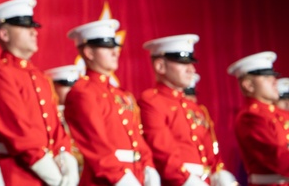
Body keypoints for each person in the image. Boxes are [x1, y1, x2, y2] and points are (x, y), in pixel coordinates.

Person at [0, 0, 80, 186]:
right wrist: (55, 177)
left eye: (33, 26)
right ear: (4, 34)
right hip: (19, 175)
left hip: (48, 173)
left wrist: (67, 162)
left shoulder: (38, 75)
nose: (34, 32)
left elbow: (56, 126)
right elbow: (18, 132)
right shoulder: (0, 73)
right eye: (25, 27)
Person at [64, 18, 161, 186]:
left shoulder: (122, 95)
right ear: (89, 52)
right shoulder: (83, 92)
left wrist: (148, 167)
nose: (116, 52)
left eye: (115, 47)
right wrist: (123, 180)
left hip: (135, 175)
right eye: (107, 47)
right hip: (107, 181)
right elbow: (97, 146)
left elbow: (137, 138)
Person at [137, 35, 236, 186]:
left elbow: (211, 154)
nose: (192, 69)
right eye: (183, 63)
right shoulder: (152, 101)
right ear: (160, 66)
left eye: (191, 63)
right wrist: (188, 180)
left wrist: (220, 174)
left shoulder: (194, 108)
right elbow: (163, 153)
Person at [227, 52, 289, 183]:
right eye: (266, 77)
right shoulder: (251, 117)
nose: (275, 81)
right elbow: (277, 158)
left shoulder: (280, 114)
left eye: (273, 76)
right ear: (249, 85)